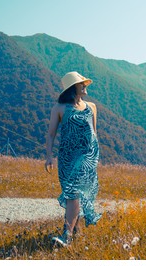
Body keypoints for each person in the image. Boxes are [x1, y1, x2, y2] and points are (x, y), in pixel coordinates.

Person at [45, 71, 102, 246]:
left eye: (84, 83)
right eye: (81, 83)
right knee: (74, 194)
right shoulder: (59, 108)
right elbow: (51, 134)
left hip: (86, 157)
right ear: (72, 88)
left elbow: (94, 133)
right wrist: (49, 157)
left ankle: (66, 235)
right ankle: (76, 231)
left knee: (74, 193)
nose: (85, 86)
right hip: (67, 157)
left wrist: (94, 158)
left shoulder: (91, 107)